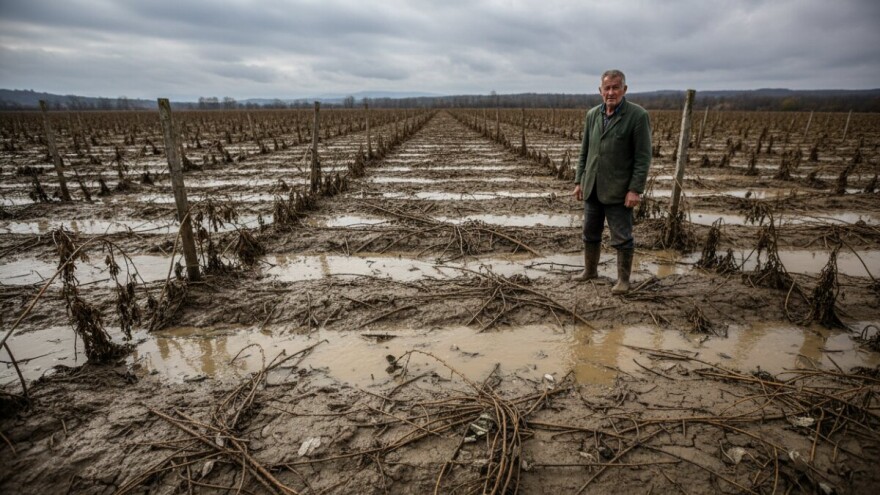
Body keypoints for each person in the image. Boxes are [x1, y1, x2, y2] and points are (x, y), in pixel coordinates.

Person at [572, 70, 652, 294]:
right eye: (607, 88)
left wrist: (635, 189)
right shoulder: (592, 115)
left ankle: (623, 281)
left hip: (619, 190)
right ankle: (590, 271)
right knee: (590, 233)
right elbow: (585, 151)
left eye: (616, 87)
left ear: (624, 90)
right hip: (592, 187)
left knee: (622, 238)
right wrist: (579, 181)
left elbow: (643, 157)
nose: (611, 92)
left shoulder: (637, 115)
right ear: (600, 91)